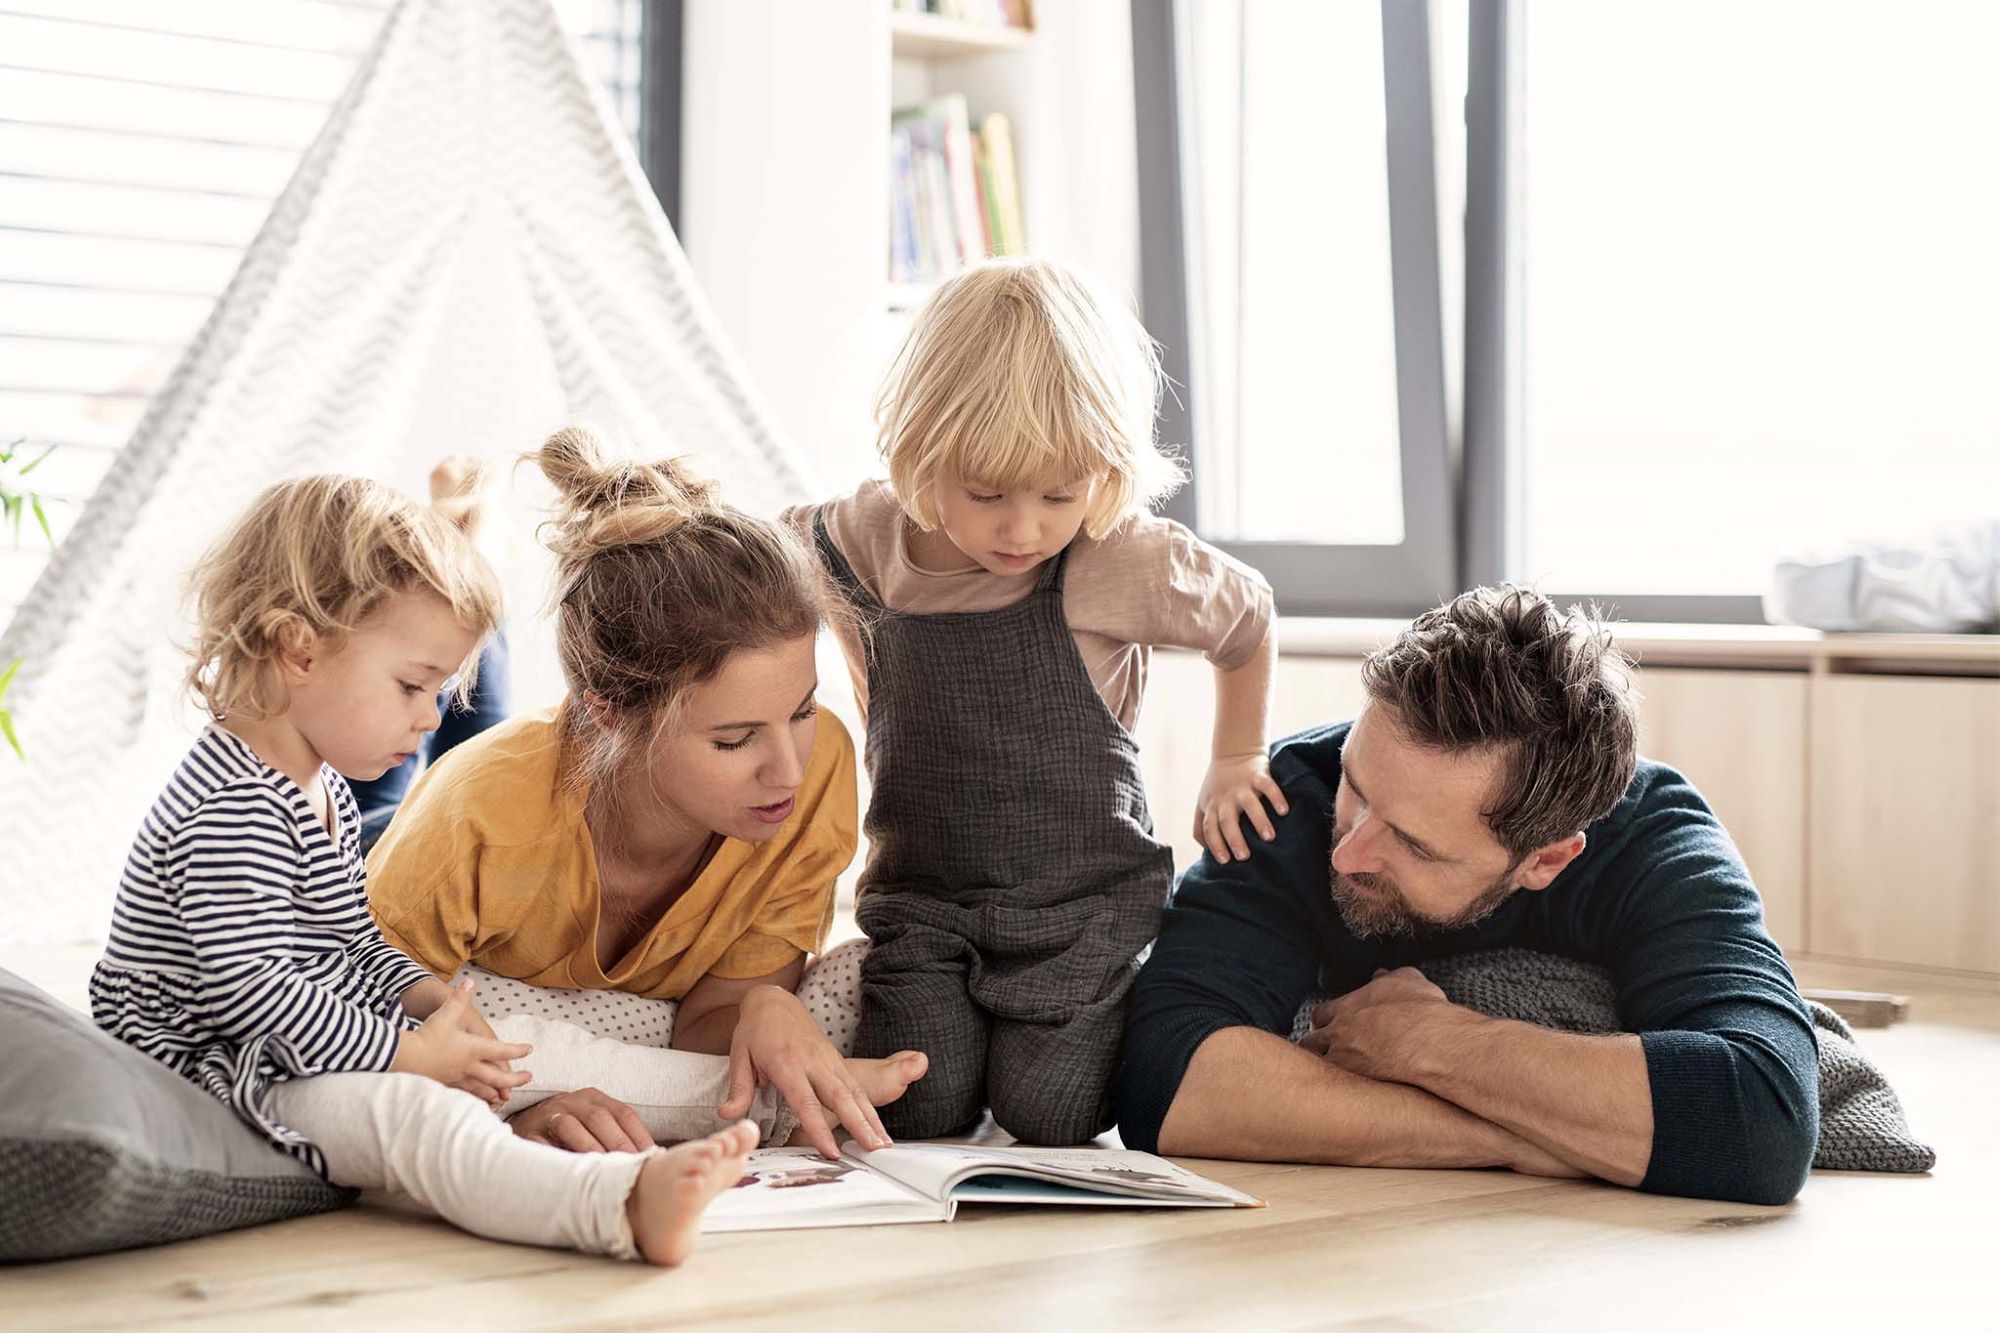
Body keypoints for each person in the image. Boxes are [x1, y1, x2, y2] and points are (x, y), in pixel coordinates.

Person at [90, 475, 753, 1265]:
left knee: (515, 1042)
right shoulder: (231, 806)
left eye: (439, 690)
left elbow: (352, 944)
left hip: (298, 1043)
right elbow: (254, 992)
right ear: (298, 648)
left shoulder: (319, 785)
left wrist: (434, 999)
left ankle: (766, 1102)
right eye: (412, 684)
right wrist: (407, 1055)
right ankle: (613, 1205)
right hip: (226, 1077)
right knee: (419, 1117)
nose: (433, 715)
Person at [784, 258, 1280, 1145]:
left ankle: (1129, 992)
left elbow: (1247, 618)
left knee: (1052, 1112)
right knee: (919, 1110)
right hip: (924, 902)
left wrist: (1235, 755)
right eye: (986, 495)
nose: (1024, 530)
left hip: (1077, 912)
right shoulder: (860, 539)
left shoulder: (1114, 557)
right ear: (921, 453)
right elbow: (752, 560)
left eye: (1059, 493)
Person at [1114, 585, 1821, 1207]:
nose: (1347, 849)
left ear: (1546, 858)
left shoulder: (1656, 838)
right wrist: (1519, 1136)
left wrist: (1430, 1042)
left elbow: (1765, 1119)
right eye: (1356, 788)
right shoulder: (1289, 796)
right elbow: (1164, 1079)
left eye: (1415, 844)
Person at [367, 427, 928, 1161]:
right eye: (734, 740)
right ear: (606, 706)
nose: (788, 770)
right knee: (390, 745)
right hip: (413, 831)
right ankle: (460, 551)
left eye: (799, 710)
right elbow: (359, 1033)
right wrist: (507, 1121)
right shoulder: (476, 816)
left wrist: (764, 1003)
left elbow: (702, 1033)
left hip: (558, 780)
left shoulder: (814, 770)